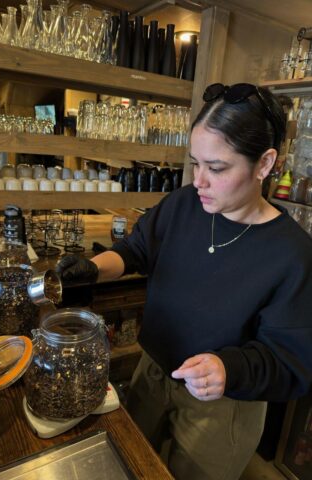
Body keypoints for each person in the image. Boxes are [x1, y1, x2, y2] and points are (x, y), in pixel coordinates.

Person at [56, 83, 312, 480]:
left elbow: (291, 362)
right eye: (196, 163)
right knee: (129, 465)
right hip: (152, 372)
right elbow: (137, 249)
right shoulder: (183, 205)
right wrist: (93, 268)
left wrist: (228, 368)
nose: (199, 181)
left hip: (224, 405)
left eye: (217, 167)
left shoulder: (292, 254)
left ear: (264, 164)